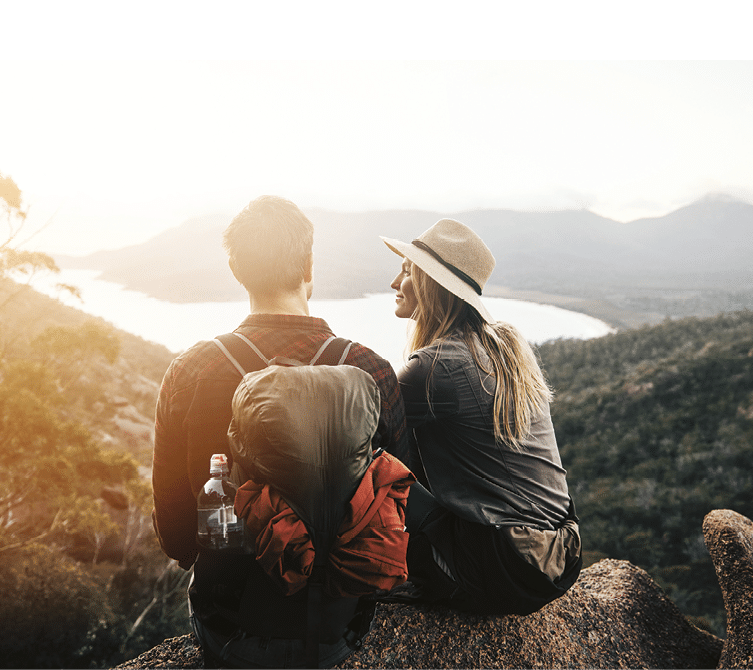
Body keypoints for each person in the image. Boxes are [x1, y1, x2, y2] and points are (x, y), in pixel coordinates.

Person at [152, 195, 408, 668]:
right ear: (309, 263)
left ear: (235, 269)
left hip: (231, 625)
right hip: (339, 625)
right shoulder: (369, 369)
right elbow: (402, 502)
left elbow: (175, 536)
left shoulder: (191, 370)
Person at [382, 218, 581, 615]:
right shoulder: (500, 347)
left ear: (428, 284)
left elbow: (361, 430)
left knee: (367, 461)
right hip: (560, 556)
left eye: (406, 270)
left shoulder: (435, 367)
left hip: (506, 567)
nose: (393, 282)